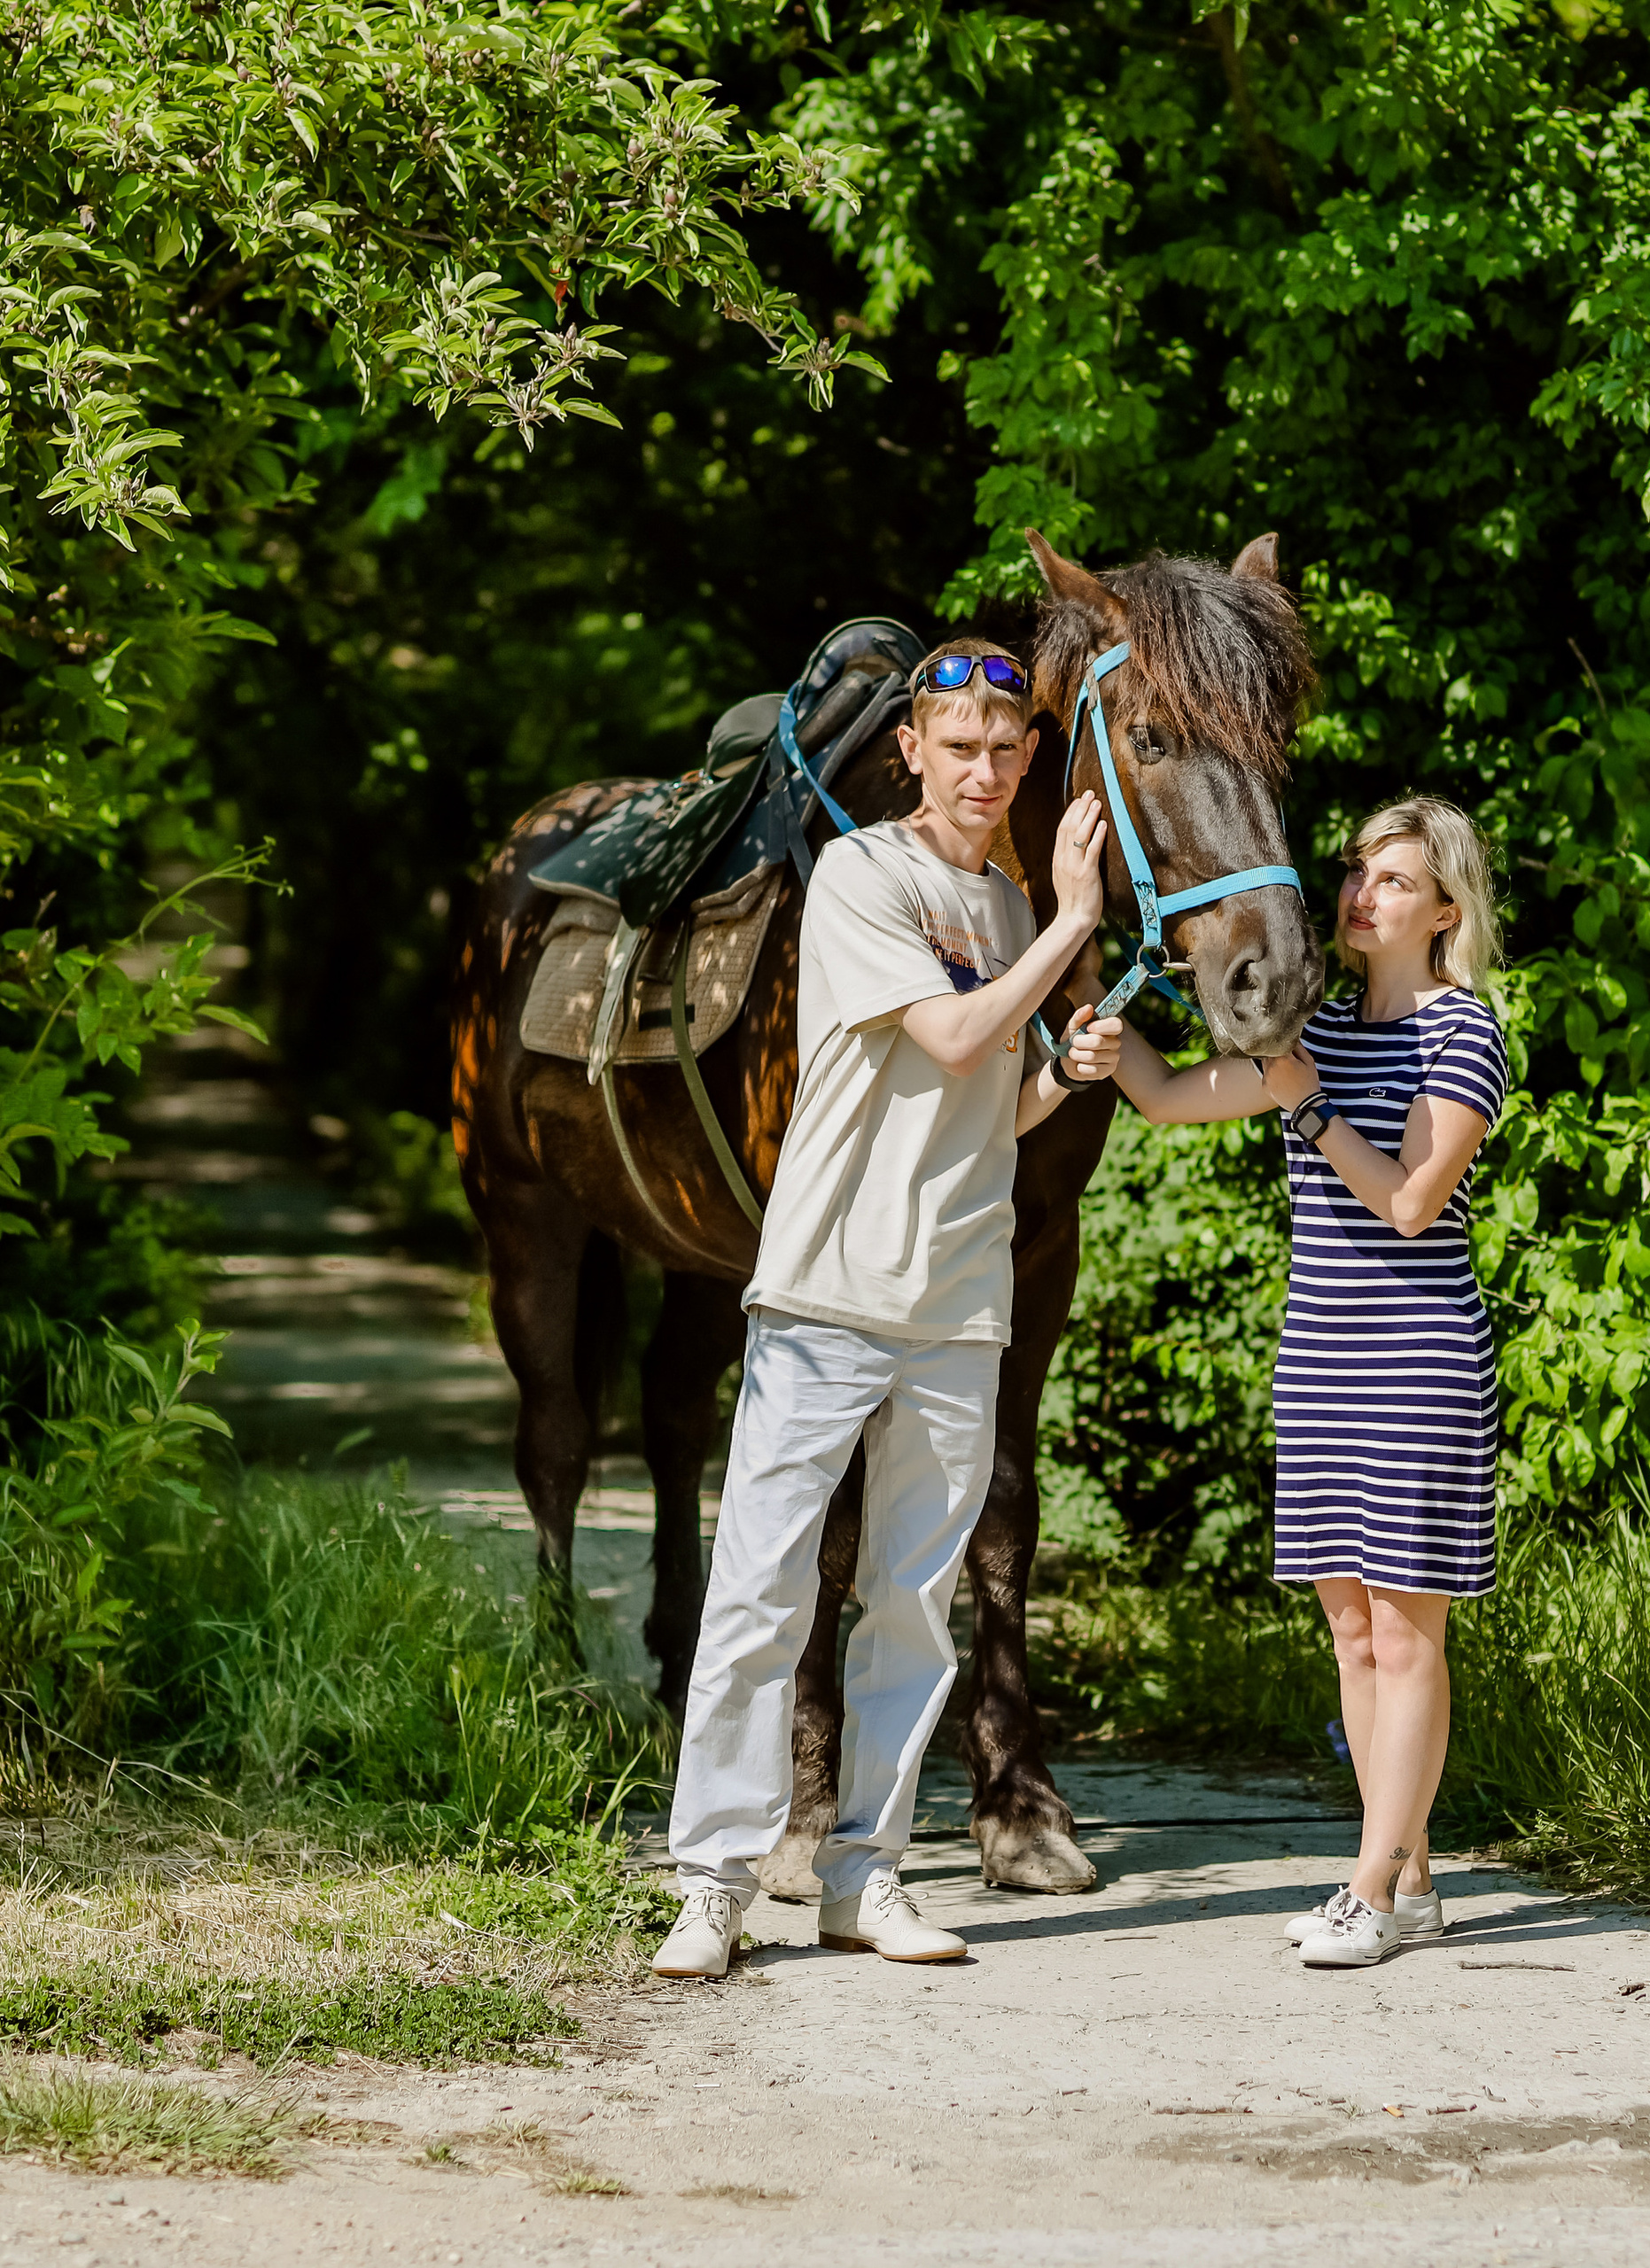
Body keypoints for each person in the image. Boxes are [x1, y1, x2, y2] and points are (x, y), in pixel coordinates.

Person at [653, 638, 1124, 1978]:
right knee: (762, 1592)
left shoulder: (1014, 913)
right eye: (957, 745)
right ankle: (713, 1884)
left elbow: (994, 1102)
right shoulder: (865, 874)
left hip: (958, 1307)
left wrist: (1070, 1074)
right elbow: (956, 1038)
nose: (983, 769)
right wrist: (1078, 927)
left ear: (1031, 758)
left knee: (913, 1607)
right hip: (828, 1292)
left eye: (1005, 747)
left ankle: (867, 1877)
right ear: (913, 749)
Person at [1099, 794, 1508, 1969]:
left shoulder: (1460, 1033)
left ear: (1443, 909)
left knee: (1407, 1632)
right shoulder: (1313, 1029)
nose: (1359, 894)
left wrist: (1310, 1106)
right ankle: (1413, 1878)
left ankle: (1371, 1890)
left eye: (1391, 880)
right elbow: (1173, 1095)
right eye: (1354, 873)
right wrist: (1096, 1024)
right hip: (1320, 1361)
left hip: (1420, 1359)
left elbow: (1413, 1204)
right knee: (1350, 1632)